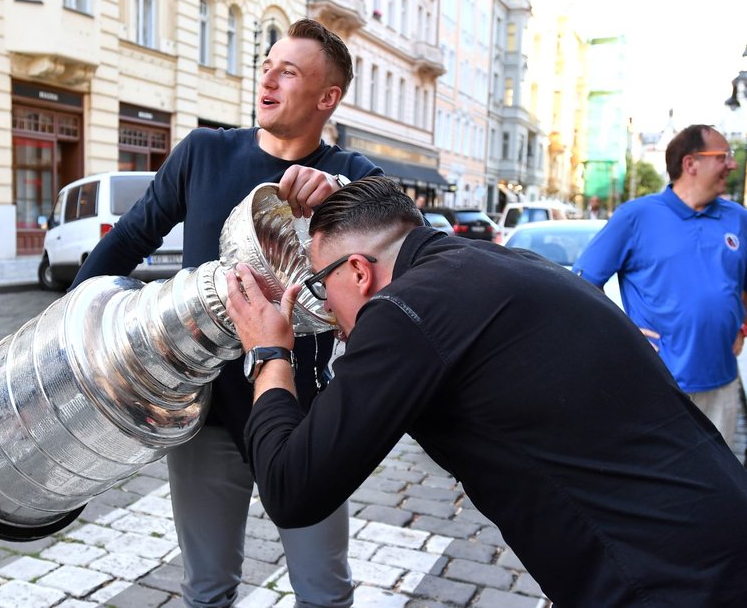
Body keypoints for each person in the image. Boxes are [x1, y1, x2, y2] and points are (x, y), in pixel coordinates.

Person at [225, 176, 747, 607]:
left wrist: (270, 353)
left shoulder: (407, 307)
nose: (326, 311)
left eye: (319, 284)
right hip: (711, 530)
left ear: (358, 271)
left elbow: (292, 488)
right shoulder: (505, 264)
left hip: (664, 577)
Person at [69, 19, 381, 607]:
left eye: (288, 70)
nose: (268, 76)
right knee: (207, 591)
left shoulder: (355, 177)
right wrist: (70, 329)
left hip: (308, 418)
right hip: (204, 415)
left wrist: (335, 192)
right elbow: (128, 240)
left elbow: (393, 254)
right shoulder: (204, 153)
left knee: (324, 592)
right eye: (266, 64)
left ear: (327, 97)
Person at [573, 124, 747, 449]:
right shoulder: (636, 216)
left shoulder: (738, 219)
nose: (732, 165)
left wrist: (743, 324)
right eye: (723, 156)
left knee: (719, 486)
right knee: (659, 485)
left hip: (722, 384)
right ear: (690, 163)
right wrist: (622, 333)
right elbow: (581, 286)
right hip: (657, 384)